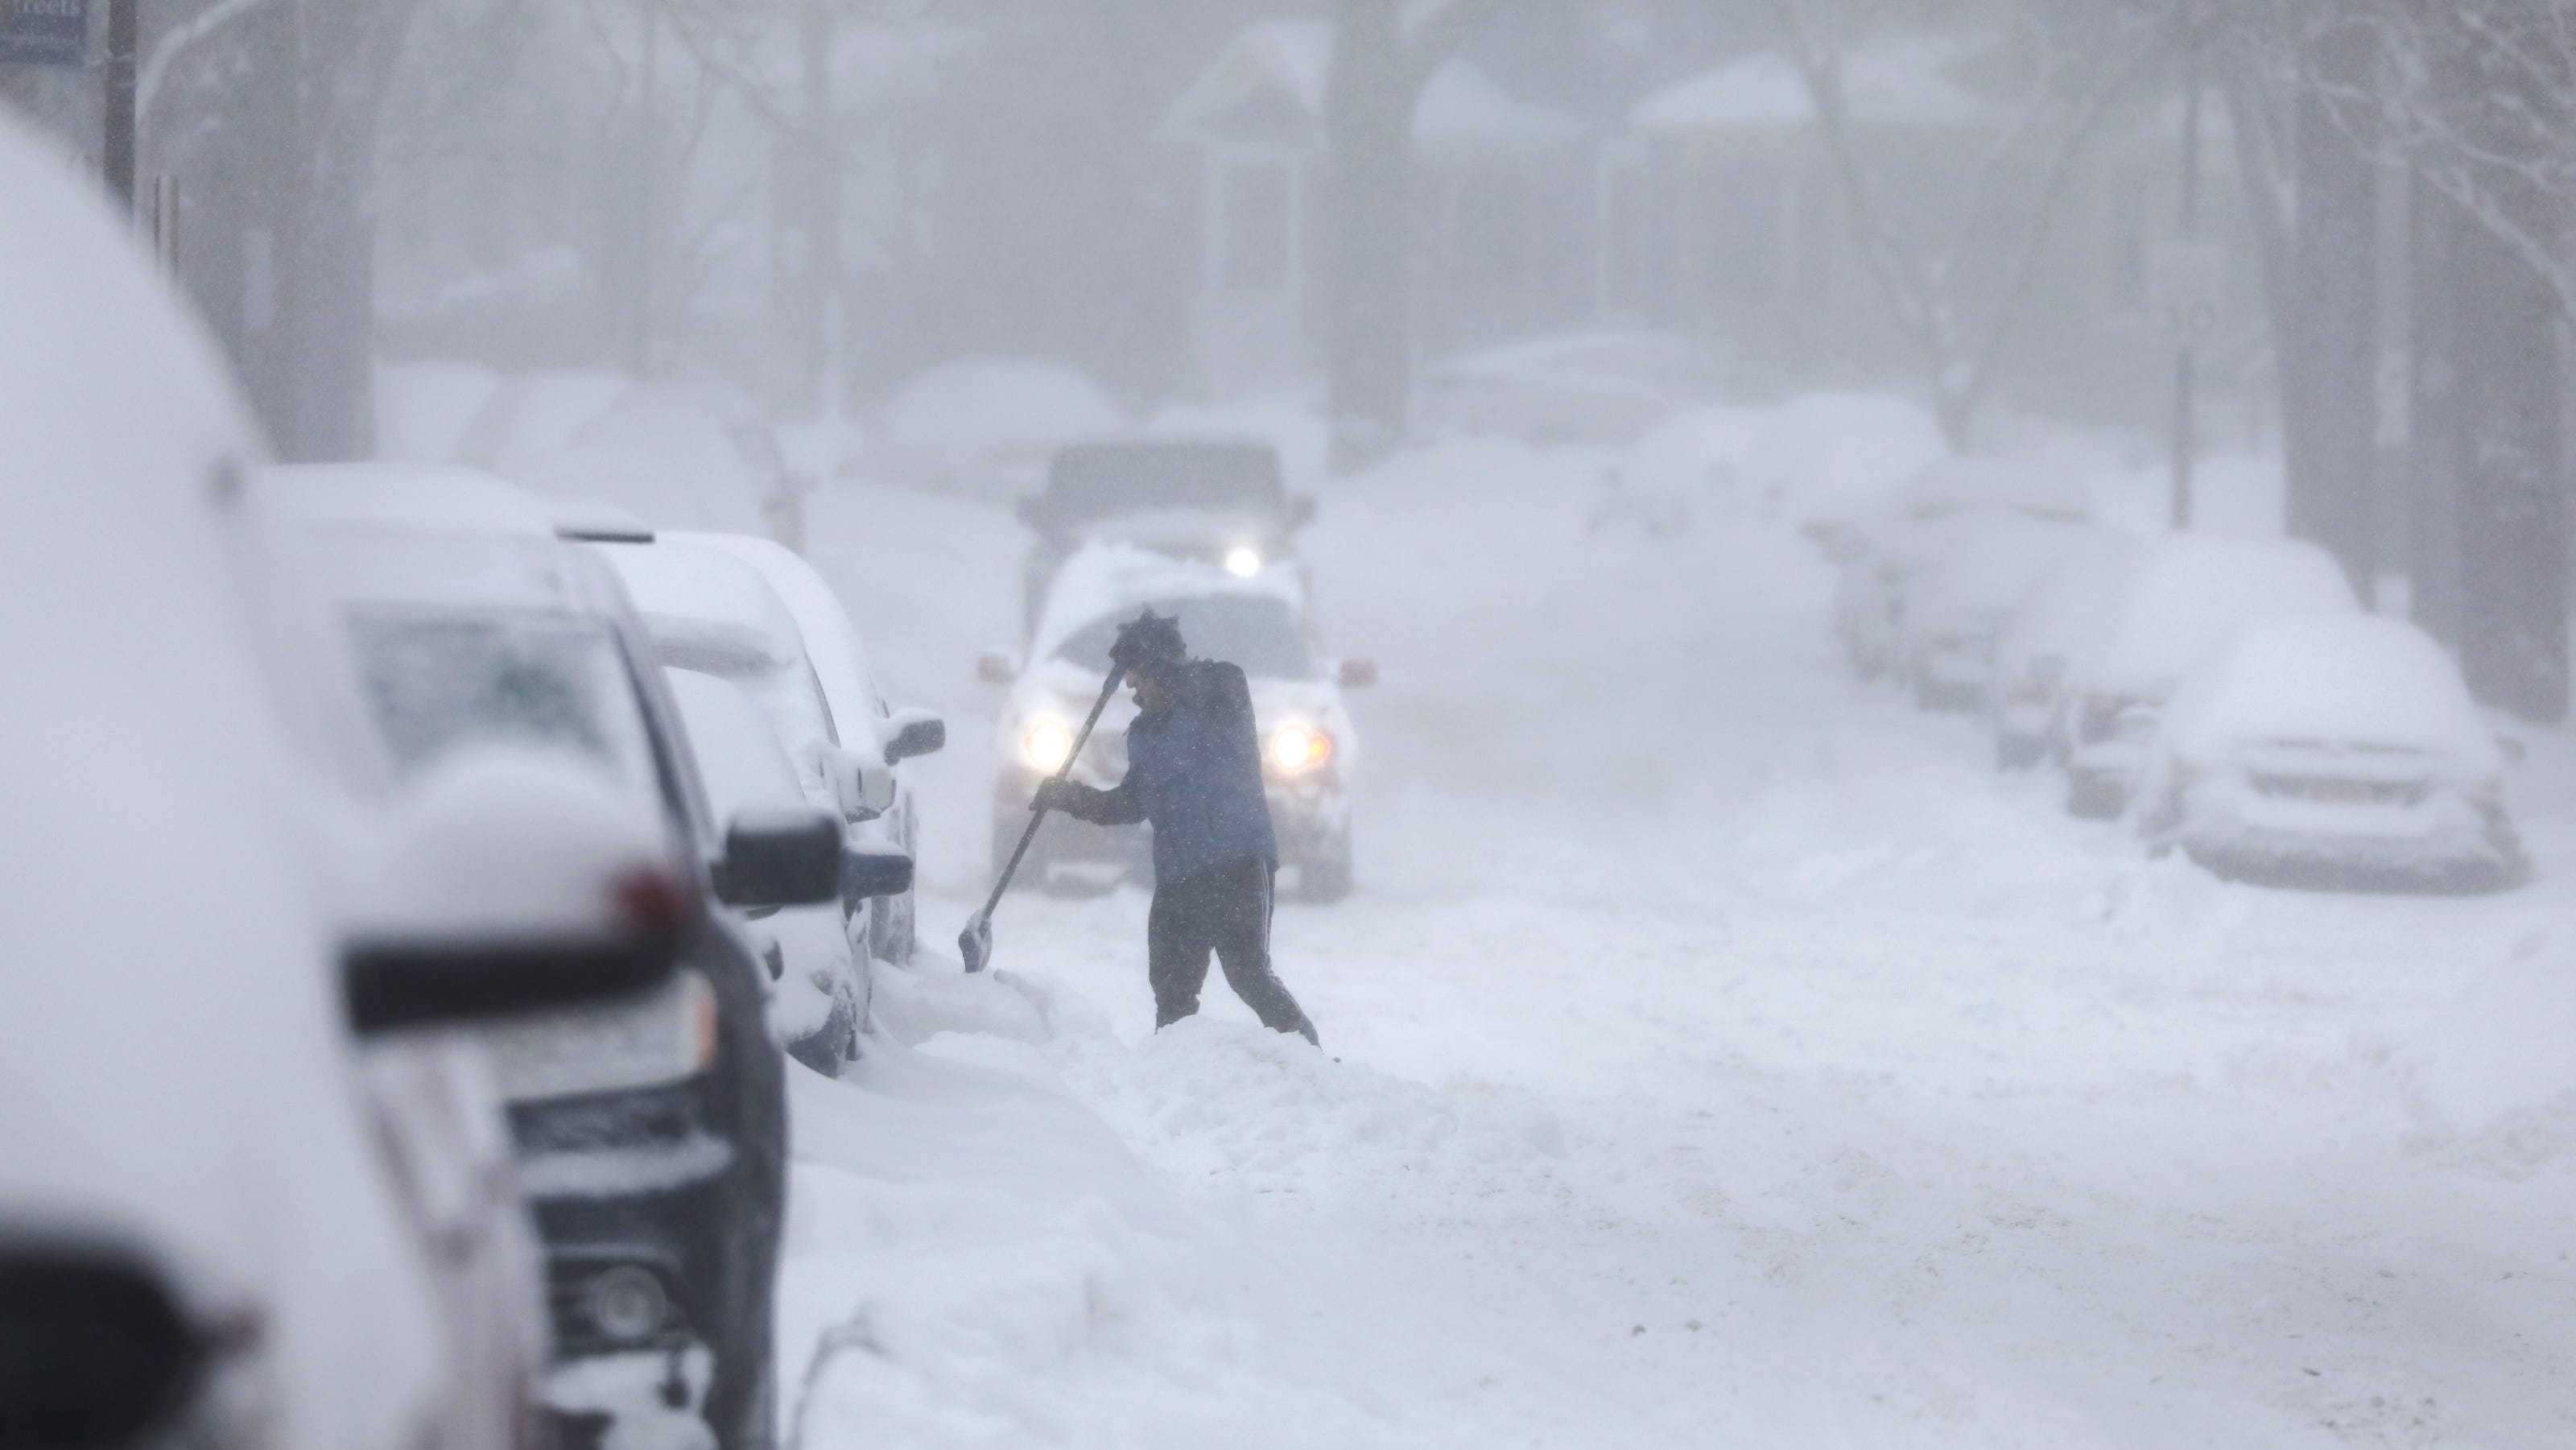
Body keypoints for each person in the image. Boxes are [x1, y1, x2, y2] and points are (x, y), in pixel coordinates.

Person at [1034, 609, 1321, 1046]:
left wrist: (1160, 663)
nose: (1132, 689)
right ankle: (1174, 1072)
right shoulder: (1145, 734)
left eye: (1138, 677)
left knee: (1248, 976)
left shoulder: (1224, 693)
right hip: (1180, 874)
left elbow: (1205, 683)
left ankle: (1313, 1063)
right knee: (1170, 987)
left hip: (1239, 862)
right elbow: (1128, 805)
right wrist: (1068, 797)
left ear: (1162, 666)